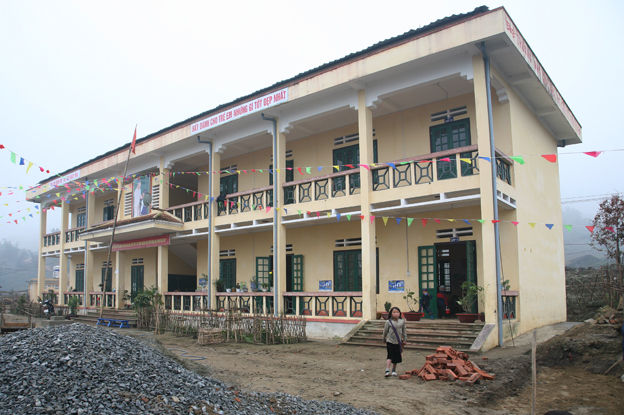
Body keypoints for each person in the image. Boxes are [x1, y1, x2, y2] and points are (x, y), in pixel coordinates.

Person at [382, 306, 407, 377]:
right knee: (390, 355)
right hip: (390, 341)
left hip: (398, 342)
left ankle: (393, 370)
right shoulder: (388, 322)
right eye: (394, 312)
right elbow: (385, 331)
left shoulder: (402, 321)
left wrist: (405, 339)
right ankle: (387, 371)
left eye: (397, 312)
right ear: (391, 314)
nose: (396, 314)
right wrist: (383, 338)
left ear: (400, 313)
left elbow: (404, 331)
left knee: (396, 356)